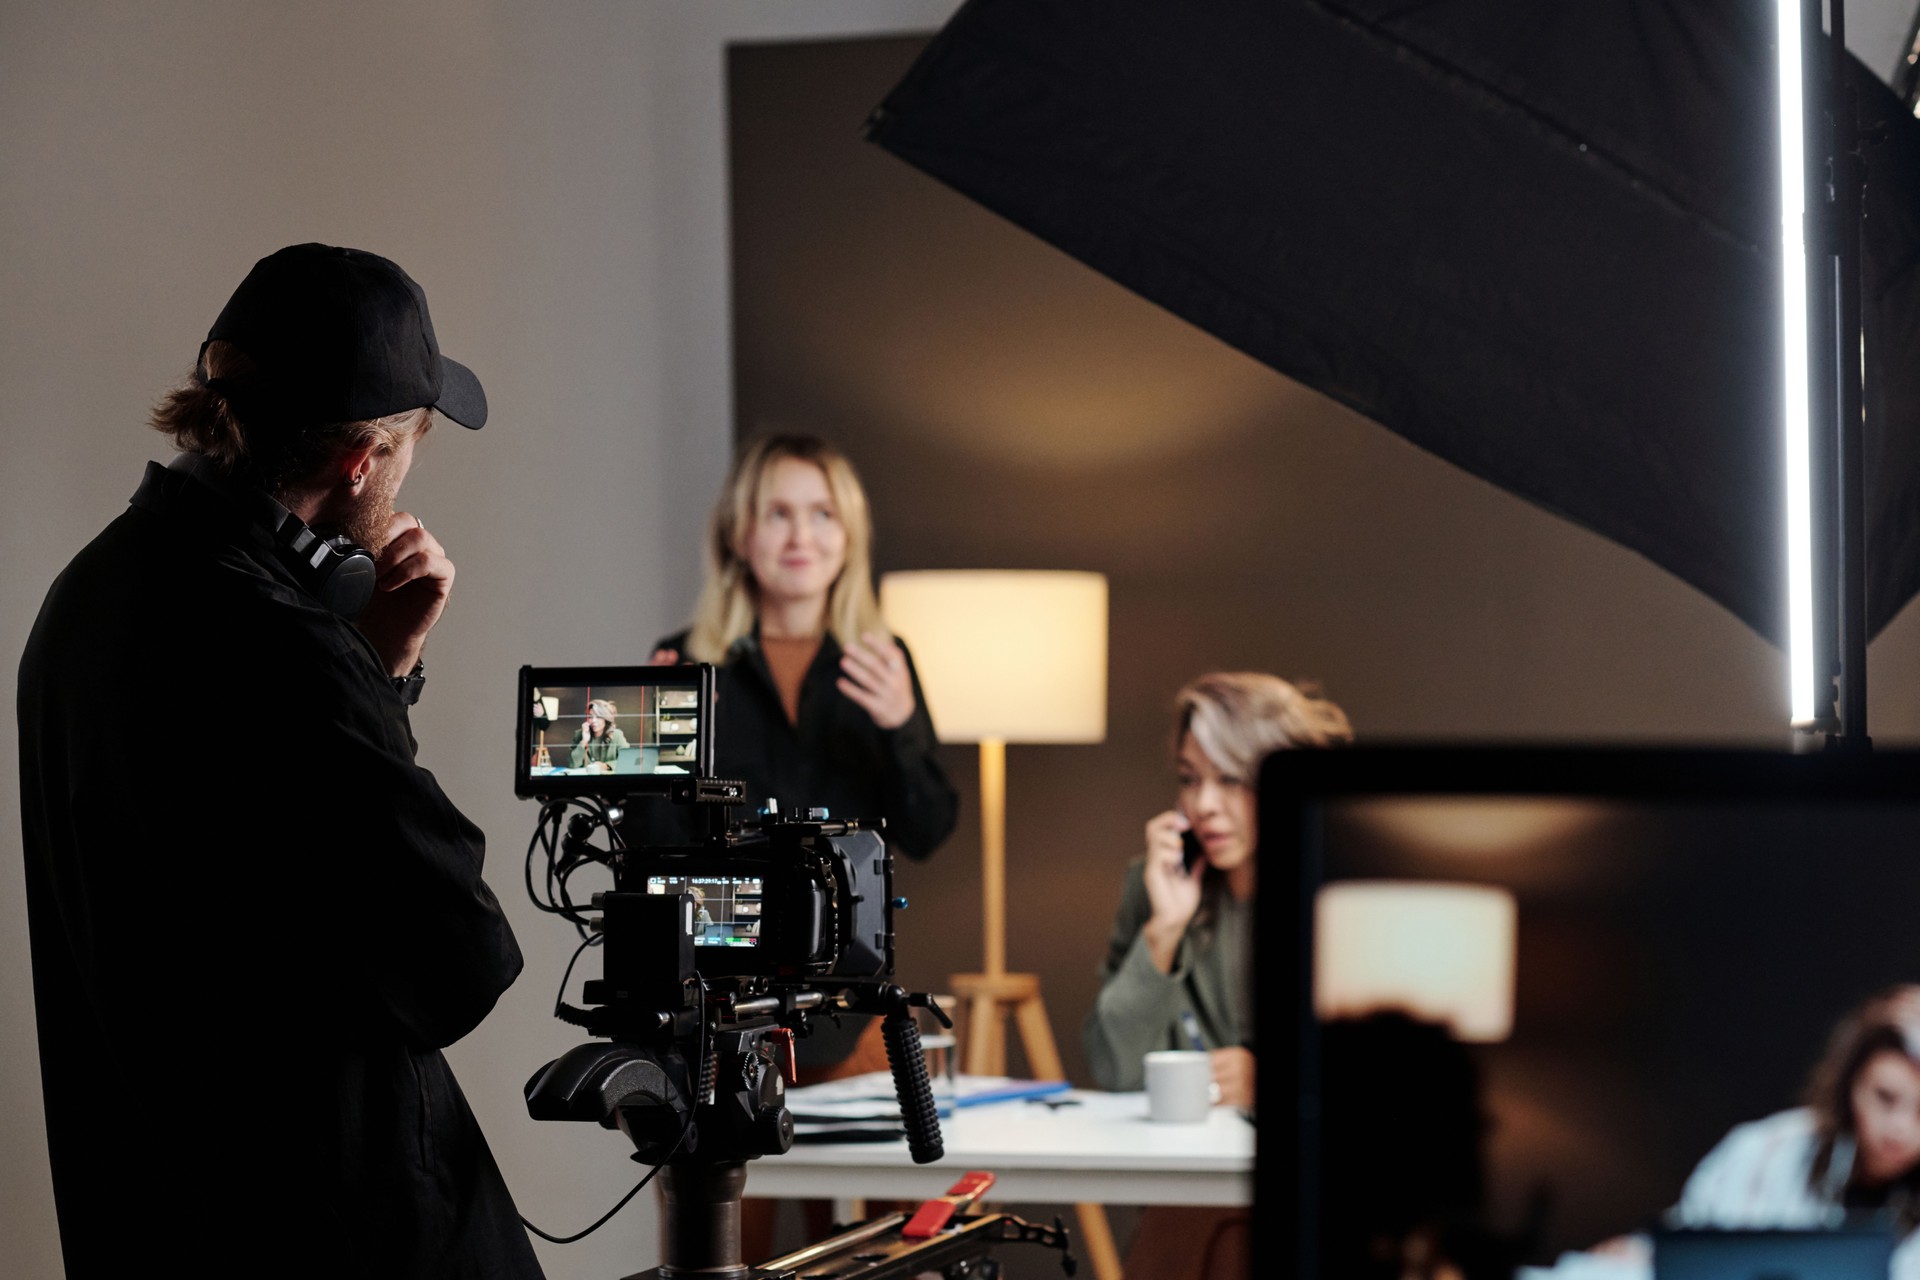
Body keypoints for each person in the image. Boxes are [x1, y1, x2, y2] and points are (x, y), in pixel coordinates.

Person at [17, 244, 541, 1280]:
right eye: (407, 450)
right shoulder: (280, 644)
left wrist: (373, 669)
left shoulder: (86, 598)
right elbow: (459, 962)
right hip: (339, 1231)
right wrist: (363, 678)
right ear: (359, 459)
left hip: (161, 1214)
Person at [648, 433, 958, 1063]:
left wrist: (900, 727)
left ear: (849, 536)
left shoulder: (883, 662)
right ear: (739, 534)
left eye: (822, 514)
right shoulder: (687, 666)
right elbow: (654, 854)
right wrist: (658, 763)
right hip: (717, 1010)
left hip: (851, 1009)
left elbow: (929, 831)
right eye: (778, 514)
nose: (801, 538)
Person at [1083, 670, 1353, 1105]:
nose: (1204, 804)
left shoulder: (1340, 896)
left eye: (1230, 779)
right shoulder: (1154, 884)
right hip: (1186, 1158)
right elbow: (1114, 1069)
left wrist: (1277, 1079)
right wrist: (1165, 929)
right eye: (1190, 779)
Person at [1541, 986, 1920, 1280]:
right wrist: (1643, 1254)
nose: (1900, 1126)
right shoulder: (1766, 1150)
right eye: (1884, 1098)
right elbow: (1693, 1245)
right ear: (1850, 1086)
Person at [569, 697, 628, 770]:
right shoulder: (579, 734)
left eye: (598, 717)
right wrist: (584, 741)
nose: (593, 721)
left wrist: (606, 766)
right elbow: (572, 765)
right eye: (590, 716)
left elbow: (627, 761)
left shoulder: (617, 735)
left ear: (605, 718)